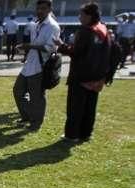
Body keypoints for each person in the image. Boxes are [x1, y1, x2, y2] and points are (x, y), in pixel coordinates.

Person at [57, 3, 114, 142]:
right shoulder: (103, 30)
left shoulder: (85, 31)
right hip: (97, 76)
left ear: (89, 16)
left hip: (81, 75)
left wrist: (61, 46)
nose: (79, 17)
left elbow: (76, 52)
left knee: (75, 107)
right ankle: (86, 133)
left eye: (81, 14)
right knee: (90, 107)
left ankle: (72, 134)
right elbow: (112, 52)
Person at [13, 0, 60, 131]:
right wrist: (25, 49)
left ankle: (36, 124)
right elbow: (34, 43)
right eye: (38, 8)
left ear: (49, 9)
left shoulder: (53, 26)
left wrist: (29, 46)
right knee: (18, 91)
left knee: (37, 97)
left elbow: (50, 48)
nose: (39, 11)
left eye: (43, 9)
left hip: (41, 66)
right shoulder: (36, 24)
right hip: (29, 64)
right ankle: (27, 116)